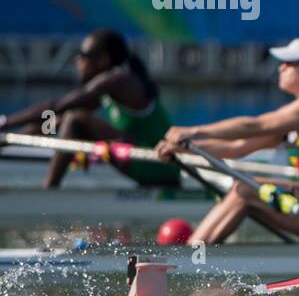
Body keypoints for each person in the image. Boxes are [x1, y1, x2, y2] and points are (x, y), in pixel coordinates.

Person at [154, 37, 299, 244]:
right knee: (245, 187)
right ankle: (196, 252)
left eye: (289, 63)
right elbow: (236, 148)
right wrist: (182, 149)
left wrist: (194, 131)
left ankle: (192, 256)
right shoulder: (295, 119)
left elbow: (255, 125)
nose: (281, 68)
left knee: (247, 189)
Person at [0, 28, 179, 188]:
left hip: (159, 164)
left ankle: (49, 191)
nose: (77, 61)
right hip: (140, 159)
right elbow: (54, 119)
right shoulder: (110, 88)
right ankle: (8, 145)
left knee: (75, 119)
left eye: (83, 55)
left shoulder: (120, 80)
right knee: (64, 121)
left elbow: (56, 106)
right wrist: (11, 138)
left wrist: (5, 122)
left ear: (103, 59)